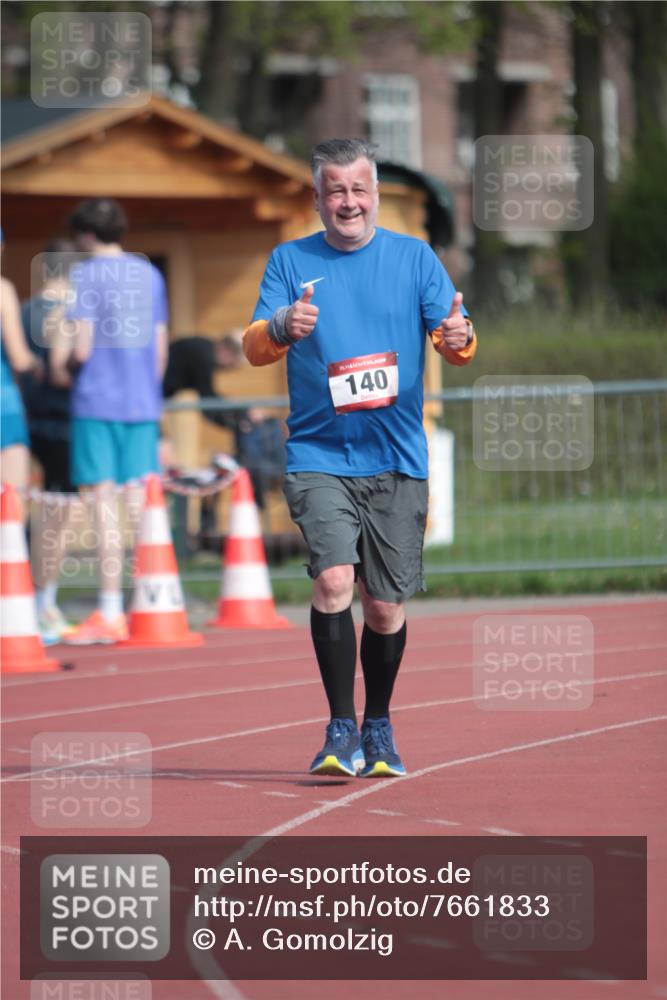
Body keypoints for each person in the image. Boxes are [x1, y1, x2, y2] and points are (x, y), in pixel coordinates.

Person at [243, 138, 477, 778]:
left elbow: (455, 336)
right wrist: (283, 325)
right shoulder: (290, 261)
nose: (349, 201)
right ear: (318, 199)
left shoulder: (414, 258)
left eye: (359, 189)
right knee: (333, 581)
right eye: (336, 190)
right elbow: (254, 344)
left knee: (383, 606)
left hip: (397, 455)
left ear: (374, 195)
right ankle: (339, 726)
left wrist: (460, 338)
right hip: (319, 453)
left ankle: (379, 724)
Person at [51, 198, 168, 644]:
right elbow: (160, 350)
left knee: (104, 511)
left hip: (97, 401)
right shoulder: (150, 273)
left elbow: (80, 348)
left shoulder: (82, 275)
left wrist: (65, 373)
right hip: (141, 402)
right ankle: (150, 601)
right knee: (141, 508)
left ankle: (109, 609)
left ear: (84, 234)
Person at [20, 239, 78, 642]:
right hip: (61, 422)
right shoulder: (68, 312)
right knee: (59, 516)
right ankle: (44, 603)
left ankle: (29, 598)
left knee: (20, 514)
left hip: (23, 420)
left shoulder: (23, 309)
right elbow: (61, 370)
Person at [0, 227, 43, 515]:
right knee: (9, 506)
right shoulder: (2, 289)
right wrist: (38, 364)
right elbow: (18, 357)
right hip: (4, 405)